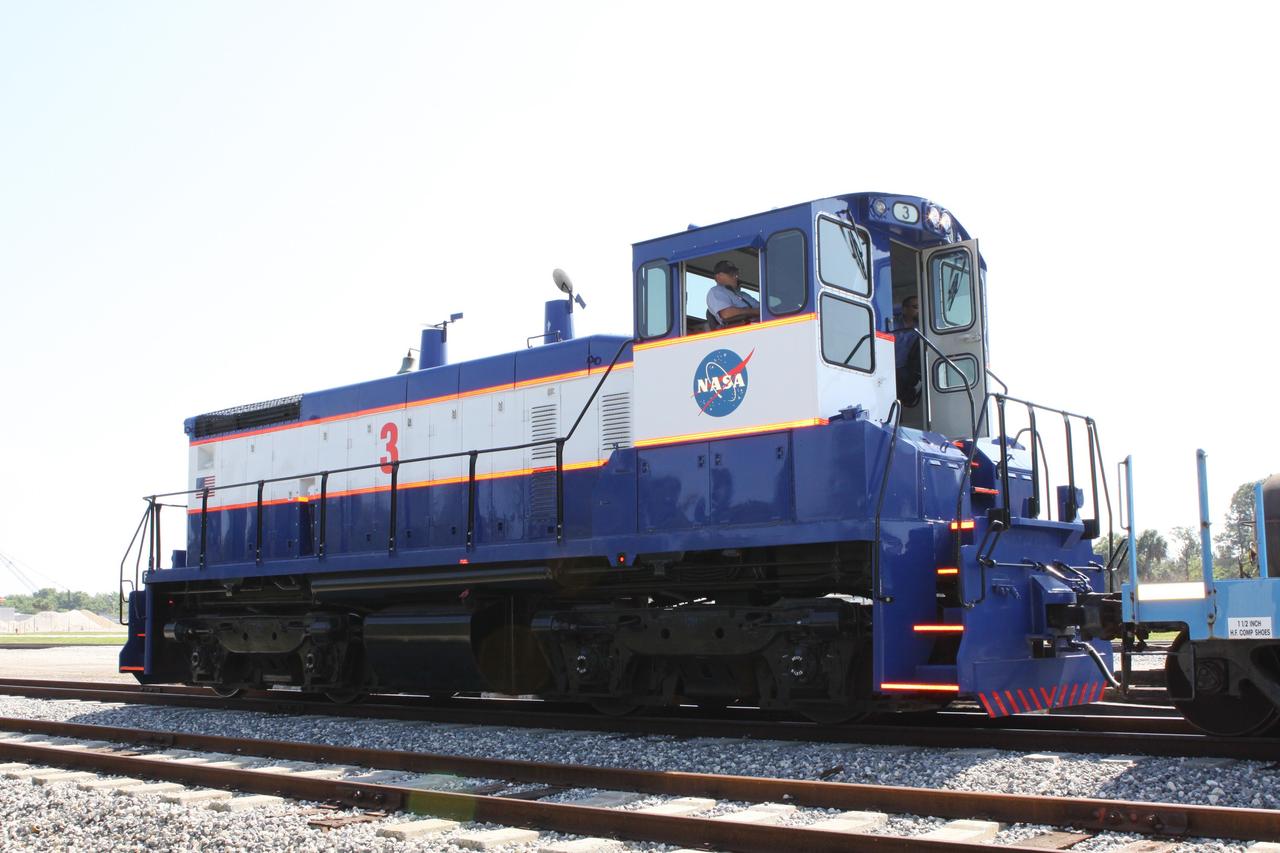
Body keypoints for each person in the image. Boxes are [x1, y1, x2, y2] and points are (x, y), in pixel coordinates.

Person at [705, 260, 759, 327]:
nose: (735, 277)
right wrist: (753, 312)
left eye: (736, 274)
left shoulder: (743, 294)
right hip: (741, 330)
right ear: (718, 277)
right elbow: (727, 314)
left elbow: (762, 309)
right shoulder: (716, 291)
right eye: (731, 274)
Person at [893, 295, 923, 406]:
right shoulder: (892, 323)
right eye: (915, 307)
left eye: (921, 307)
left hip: (906, 368)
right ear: (905, 309)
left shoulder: (923, 327)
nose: (919, 310)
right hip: (889, 366)